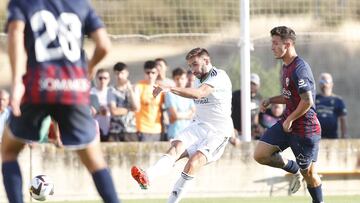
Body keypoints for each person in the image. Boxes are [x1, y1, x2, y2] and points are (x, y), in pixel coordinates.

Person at [3, 1, 120, 203]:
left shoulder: (23, 2)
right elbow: (104, 45)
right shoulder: (80, 4)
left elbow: (15, 33)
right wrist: (88, 69)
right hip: (73, 90)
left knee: (8, 151)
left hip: (38, 86)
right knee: (95, 161)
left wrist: (16, 83)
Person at [131, 47, 233, 203]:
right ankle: (147, 176)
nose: (192, 70)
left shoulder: (219, 76)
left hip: (218, 132)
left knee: (194, 162)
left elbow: (200, 93)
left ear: (206, 61)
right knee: (176, 147)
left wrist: (170, 88)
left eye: (194, 64)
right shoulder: (198, 78)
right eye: (190, 66)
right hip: (199, 125)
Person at [253, 26, 323, 203]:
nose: (272, 47)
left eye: (275, 43)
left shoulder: (300, 69)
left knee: (310, 174)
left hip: (305, 130)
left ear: (288, 44)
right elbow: (290, 97)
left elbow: (307, 101)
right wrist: (271, 100)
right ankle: (293, 169)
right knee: (260, 154)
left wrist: (290, 119)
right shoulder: (285, 67)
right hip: (288, 124)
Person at [108, 62, 139, 141]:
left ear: (127, 73)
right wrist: (129, 109)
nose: (120, 76)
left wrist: (130, 90)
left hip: (131, 129)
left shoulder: (134, 88)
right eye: (117, 73)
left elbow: (136, 108)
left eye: (122, 73)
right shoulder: (111, 90)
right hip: (115, 130)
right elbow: (114, 111)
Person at [135, 60, 164, 142]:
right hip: (143, 128)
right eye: (148, 72)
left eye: (153, 72)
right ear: (144, 73)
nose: (150, 75)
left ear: (157, 73)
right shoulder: (139, 86)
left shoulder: (161, 88)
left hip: (157, 128)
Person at [165, 67, 195, 141]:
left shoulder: (189, 93)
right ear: (174, 80)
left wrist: (179, 116)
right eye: (177, 79)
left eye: (182, 78)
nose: (180, 81)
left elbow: (194, 112)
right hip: (175, 134)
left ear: (186, 79)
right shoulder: (170, 94)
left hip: (188, 133)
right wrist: (188, 115)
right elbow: (175, 115)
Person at [231, 73, 263, 140]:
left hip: (251, 134)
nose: (251, 85)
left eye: (254, 84)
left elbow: (256, 115)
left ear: (258, 86)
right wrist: (231, 128)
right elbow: (228, 112)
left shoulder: (259, 98)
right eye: (250, 83)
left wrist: (257, 127)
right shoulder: (236, 95)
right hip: (236, 133)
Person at [316, 73, 347, 139]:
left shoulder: (338, 100)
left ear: (331, 84)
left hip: (332, 137)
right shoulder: (314, 99)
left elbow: (343, 119)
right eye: (321, 82)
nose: (324, 84)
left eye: (326, 82)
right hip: (316, 137)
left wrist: (344, 136)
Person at [90, 69, 112, 141]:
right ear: (96, 78)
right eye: (100, 78)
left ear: (109, 79)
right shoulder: (91, 92)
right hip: (95, 128)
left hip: (111, 128)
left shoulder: (112, 91)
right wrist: (98, 111)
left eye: (105, 78)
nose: (103, 80)